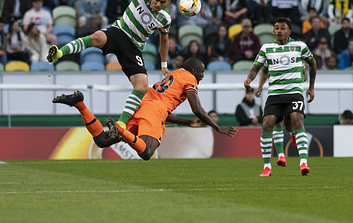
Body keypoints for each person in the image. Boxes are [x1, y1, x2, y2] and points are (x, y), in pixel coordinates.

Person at [47, 0, 172, 132]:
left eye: (162, 3)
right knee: (96, 37)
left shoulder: (165, 19)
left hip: (134, 47)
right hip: (119, 32)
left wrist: (164, 65)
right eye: (156, 0)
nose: (157, 5)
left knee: (142, 86)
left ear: (167, 2)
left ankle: (121, 124)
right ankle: (59, 53)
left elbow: (164, 40)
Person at [52, 57, 237, 160]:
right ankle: (121, 130)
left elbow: (165, 112)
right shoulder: (189, 78)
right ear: (194, 71)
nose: (203, 75)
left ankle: (79, 104)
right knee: (147, 152)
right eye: (202, 72)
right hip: (153, 111)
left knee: (102, 140)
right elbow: (197, 109)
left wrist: (187, 123)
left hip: (143, 105)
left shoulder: (176, 74)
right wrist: (217, 127)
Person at [244, 17, 317, 177]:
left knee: (297, 120)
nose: (278, 31)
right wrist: (250, 79)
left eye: (282, 28)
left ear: (289, 31)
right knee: (267, 124)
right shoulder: (266, 48)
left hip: (294, 92)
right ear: (273, 31)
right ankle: (267, 167)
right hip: (275, 93)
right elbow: (257, 68)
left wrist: (311, 87)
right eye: (276, 28)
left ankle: (303, 162)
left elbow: (313, 63)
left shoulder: (299, 46)